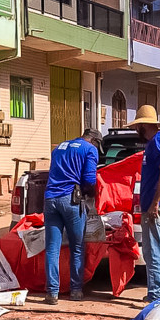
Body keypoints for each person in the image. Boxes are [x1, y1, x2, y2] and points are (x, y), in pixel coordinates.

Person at [43, 128, 102, 305]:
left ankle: (52, 293)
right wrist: (90, 195)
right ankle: (75, 290)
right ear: (94, 141)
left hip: (50, 200)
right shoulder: (89, 149)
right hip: (71, 201)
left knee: (52, 248)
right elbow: (90, 180)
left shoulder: (59, 147)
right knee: (77, 247)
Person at [127, 105, 160, 302]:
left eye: (138, 127)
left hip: (157, 207)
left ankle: (156, 294)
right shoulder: (159, 141)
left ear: (143, 125)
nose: (137, 131)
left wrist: (154, 203)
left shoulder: (157, 142)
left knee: (153, 251)